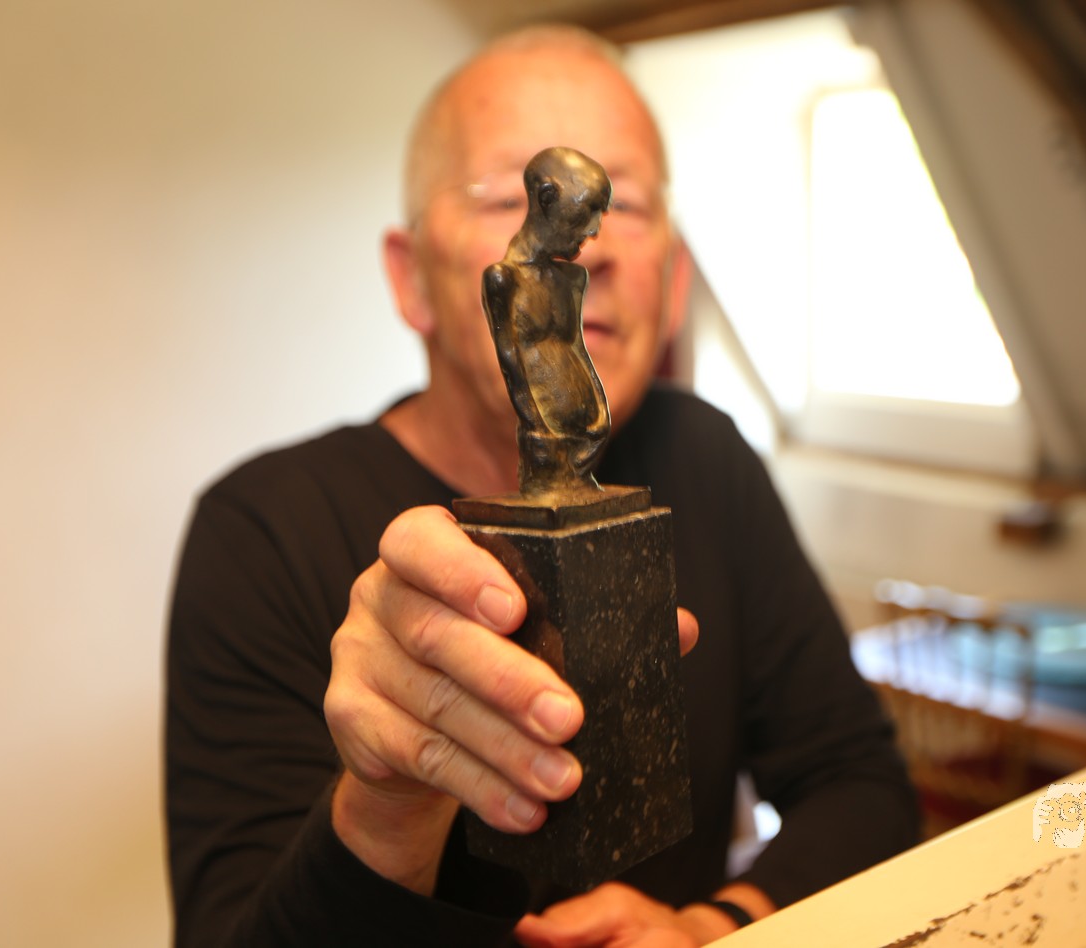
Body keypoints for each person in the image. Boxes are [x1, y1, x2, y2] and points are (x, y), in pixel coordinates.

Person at [165, 24, 919, 948]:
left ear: (675, 275)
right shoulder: (265, 530)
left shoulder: (708, 455)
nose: (587, 251)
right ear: (410, 277)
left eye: (623, 205)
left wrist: (716, 924)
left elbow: (862, 787)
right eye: (513, 196)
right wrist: (387, 810)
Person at [483, 145, 613, 497]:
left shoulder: (573, 279)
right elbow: (511, 361)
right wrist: (536, 426)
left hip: (587, 432)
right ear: (547, 198)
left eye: (601, 213)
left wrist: (602, 418)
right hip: (543, 439)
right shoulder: (504, 279)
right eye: (587, 210)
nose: (595, 230)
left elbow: (578, 349)